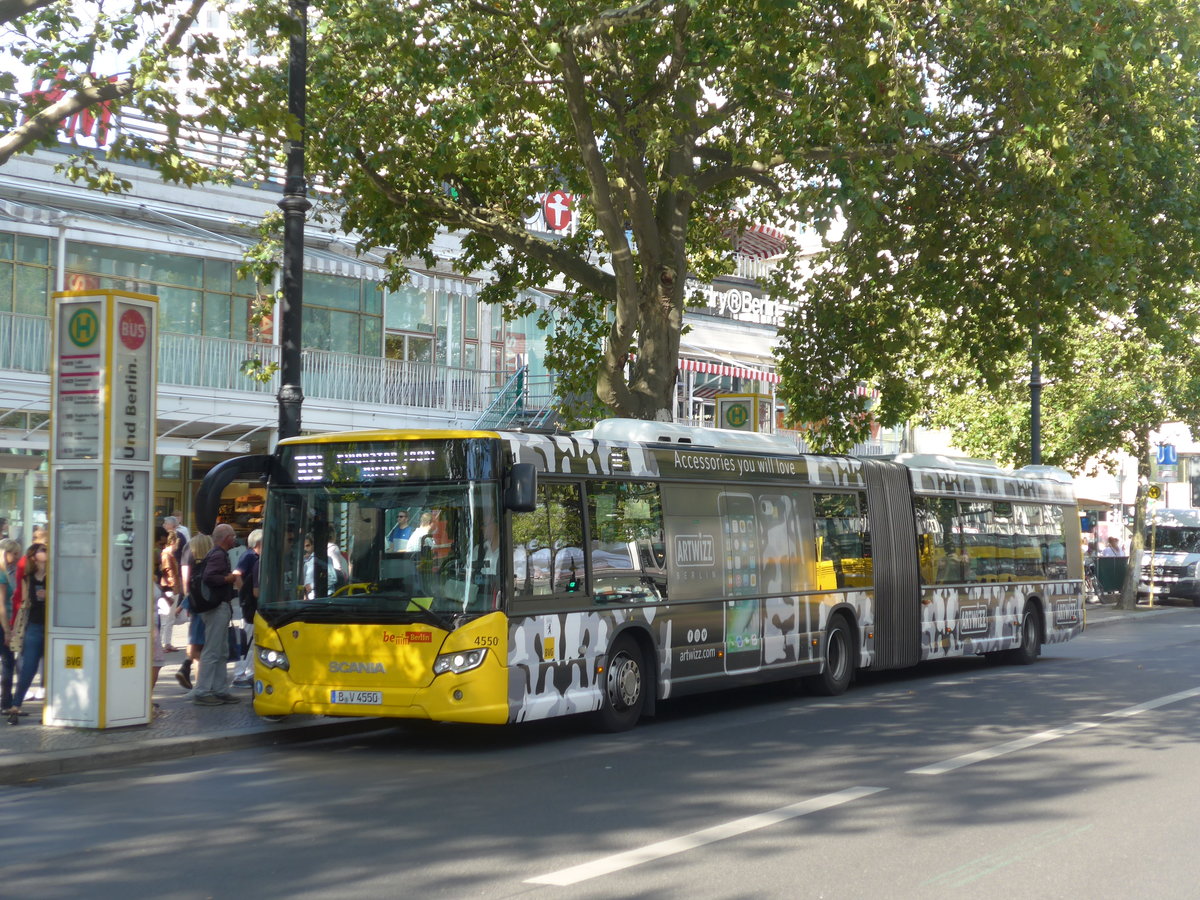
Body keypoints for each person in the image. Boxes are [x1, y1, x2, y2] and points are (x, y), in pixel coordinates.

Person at [194, 523, 241, 705]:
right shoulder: (219, 555)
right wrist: (228, 578)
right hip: (216, 608)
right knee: (213, 650)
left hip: (216, 606)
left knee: (221, 650)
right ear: (226, 538)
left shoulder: (215, 553)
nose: (235, 539)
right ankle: (203, 691)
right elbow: (209, 577)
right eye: (233, 536)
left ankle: (220, 689)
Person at [7, 542, 48, 725]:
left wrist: (49, 595)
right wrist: (16, 628)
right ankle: (15, 707)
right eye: (42, 550)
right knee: (28, 668)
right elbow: (24, 603)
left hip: (53, 628)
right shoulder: (28, 577)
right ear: (33, 556)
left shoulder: (54, 576)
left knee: (52, 670)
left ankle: (51, 710)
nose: (46, 552)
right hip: (34, 625)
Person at [176, 532, 212, 691]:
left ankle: (187, 667)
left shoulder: (187, 550)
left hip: (195, 602)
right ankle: (200, 684)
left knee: (195, 642)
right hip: (210, 604)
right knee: (203, 648)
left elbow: (185, 580)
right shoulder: (213, 555)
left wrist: (188, 600)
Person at [231, 529, 261, 687]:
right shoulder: (249, 556)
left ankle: (245, 672)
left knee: (249, 638)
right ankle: (241, 674)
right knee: (248, 639)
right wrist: (244, 593)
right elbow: (236, 573)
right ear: (258, 544)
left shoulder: (252, 556)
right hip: (249, 604)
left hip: (248, 603)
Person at [0, 538, 19, 714]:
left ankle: (6, 701)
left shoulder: (8, 572)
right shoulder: (2, 574)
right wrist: (7, 631)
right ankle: (6, 702)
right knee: (8, 662)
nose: (17, 556)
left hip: (5, 622)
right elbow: (1, 607)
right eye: (14, 553)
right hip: (2, 623)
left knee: (8, 662)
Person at [158, 530, 183, 651]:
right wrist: (175, 587)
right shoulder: (167, 555)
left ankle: (165, 642)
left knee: (168, 617)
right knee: (167, 617)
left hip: (170, 588)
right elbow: (170, 572)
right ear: (173, 542)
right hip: (170, 589)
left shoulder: (167, 554)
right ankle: (165, 643)